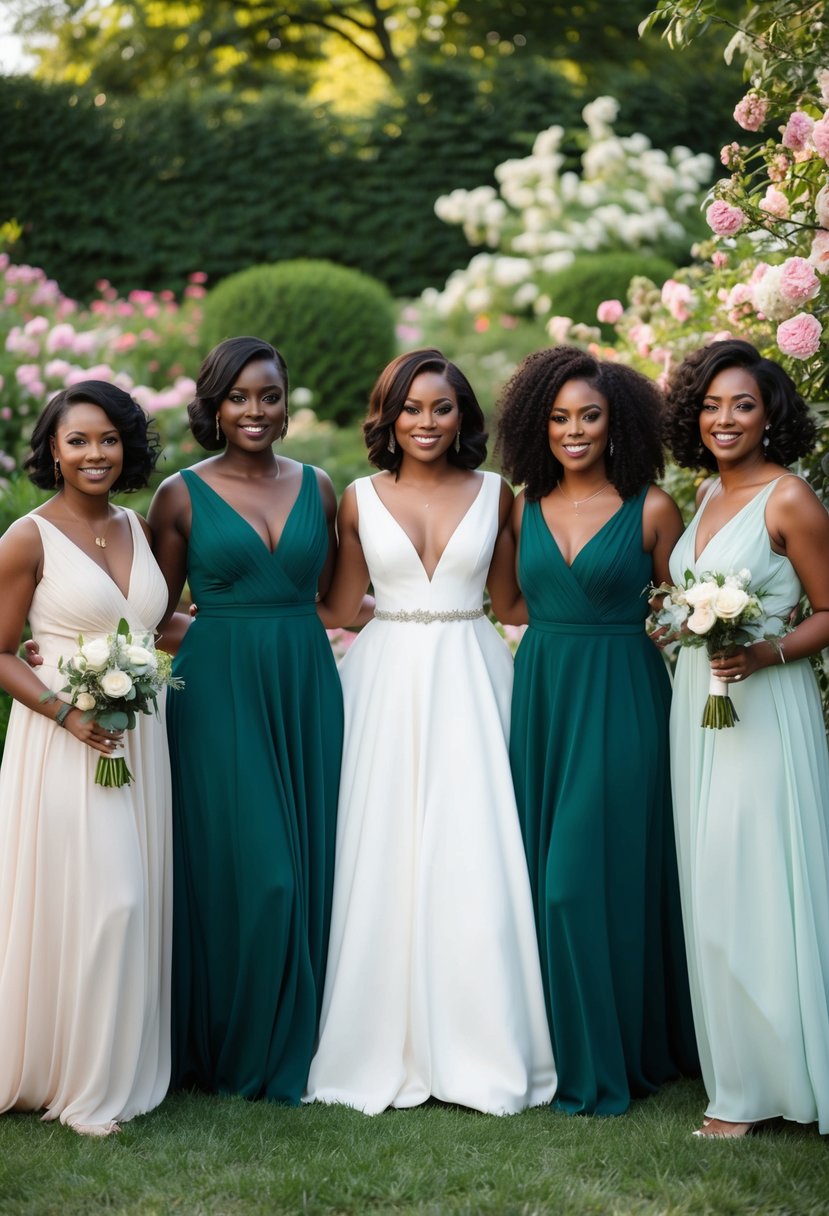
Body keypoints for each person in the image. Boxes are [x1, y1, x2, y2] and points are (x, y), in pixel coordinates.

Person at [304, 348, 556, 1115]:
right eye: (410, 409)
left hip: (473, 675)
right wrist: (217, 622)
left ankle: (484, 1040)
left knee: (476, 844)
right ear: (388, 416)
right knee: (379, 847)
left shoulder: (498, 495)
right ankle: (374, 1038)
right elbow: (341, 609)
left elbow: (514, 605)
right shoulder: (354, 497)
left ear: (462, 417)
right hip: (383, 682)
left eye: (440, 408)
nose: (425, 422)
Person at [491, 345, 699, 1117]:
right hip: (544, 697)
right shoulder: (522, 506)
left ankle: (603, 1062)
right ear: (534, 424)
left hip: (622, 700)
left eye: (588, 417)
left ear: (617, 424)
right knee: (548, 876)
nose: (572, 431)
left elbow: (683, 615)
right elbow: (508, 604)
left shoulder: (651, 508)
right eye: (557, 418)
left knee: (582, 883)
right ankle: (564, 1046)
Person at [148, 336, 344, 1103]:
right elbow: (153, 614)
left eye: (268, 395)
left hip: (304, 687)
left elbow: (335, 600)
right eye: (238, 397)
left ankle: (313, 1032)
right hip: (219, 692)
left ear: (285, 402)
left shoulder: (321, 488)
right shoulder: (178, 495)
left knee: (309, 862)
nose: (255, 411)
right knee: (258, 876)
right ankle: (233, 1045)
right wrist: (224, 637)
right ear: (214, 406)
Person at [663, 338, 829, 1138]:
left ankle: (778, 1084)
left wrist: (764, 651)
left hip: (763, 704)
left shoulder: (788, 498)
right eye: (709, 405)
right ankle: (739, 1075)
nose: (722, 419)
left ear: (769, 416)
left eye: (741, 405)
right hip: (700, 703)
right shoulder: (703, 494)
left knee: (756, 880)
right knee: (711, 884)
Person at [0, 381, 171, 1136]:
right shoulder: (28, 538)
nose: (95, 454)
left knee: (130, 903)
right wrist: (67, 713)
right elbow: (2, 652)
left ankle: (103, 1065)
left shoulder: (139, 525)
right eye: (78, 441)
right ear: (54, 451)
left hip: (141, 740)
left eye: (108, 439)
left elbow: (156, 626)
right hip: (64, 742)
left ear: (127, 445)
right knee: (112, 901)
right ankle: (82, 1092)